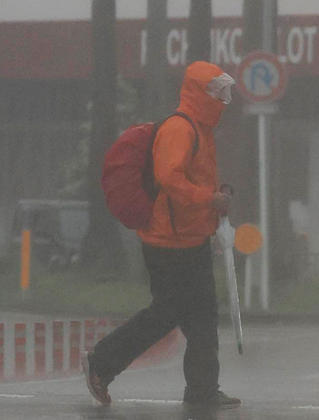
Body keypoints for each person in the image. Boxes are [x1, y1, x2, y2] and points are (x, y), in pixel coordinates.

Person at [83, 61, 241, 409]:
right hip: (167, 242)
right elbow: (170, 178)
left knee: (202, 317)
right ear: (200, 93)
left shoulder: (201, 129)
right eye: (216, 91)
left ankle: (202, 391)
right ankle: (101, 362)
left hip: (191, 238)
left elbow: (192, 180)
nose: (222, 98)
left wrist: (214, 204)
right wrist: (209, 199)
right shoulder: (180, 128)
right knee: (166, 314)